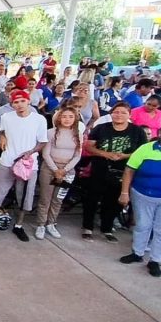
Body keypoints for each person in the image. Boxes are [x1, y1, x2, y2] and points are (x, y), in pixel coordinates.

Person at [0, 90, 48, 242]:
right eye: (15, 102)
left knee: (25, 196)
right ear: (12, 104)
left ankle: (19, 225)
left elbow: (43, 141)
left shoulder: (39, 119)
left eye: (22, 101)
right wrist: (1, 137)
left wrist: (31, 151)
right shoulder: (7, 117)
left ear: (28, 101)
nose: (19, 105)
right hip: (7, 161)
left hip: (28, 164)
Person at [83, 102, 147, 243]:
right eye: (116, 112)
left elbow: (142, 152)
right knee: (92, 199)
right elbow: (88, 146)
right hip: (100, 169)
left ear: (129, 115)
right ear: (111, 113)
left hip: (123, 172)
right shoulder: (101, 128)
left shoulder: (137, 131)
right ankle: (87, 227)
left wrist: (124, 156)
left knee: (113, 201)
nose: (119, 115)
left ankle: (107, 228)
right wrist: (104, 154)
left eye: (123, 112)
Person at [35, 106, 83, 240]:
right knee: (45, 198)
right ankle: (41, 224)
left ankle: (51, 223)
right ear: (59, 118)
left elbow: (77, 155)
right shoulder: (51, 132)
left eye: (70, 117)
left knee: (58, 199)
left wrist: (65, 170)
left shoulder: (78, 134)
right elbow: (45, 153)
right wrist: (56, 170)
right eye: (64, 116)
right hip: (50, 168)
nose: (67, 119)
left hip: (67, 170)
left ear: (75, 119)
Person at [118, 136, 161, 277]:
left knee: (160, 229)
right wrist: (124, 192)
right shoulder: (146, 148)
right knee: (142, 225)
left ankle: (155, 260)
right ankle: (137, 253)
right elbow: (129, 170)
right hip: (142, 194)